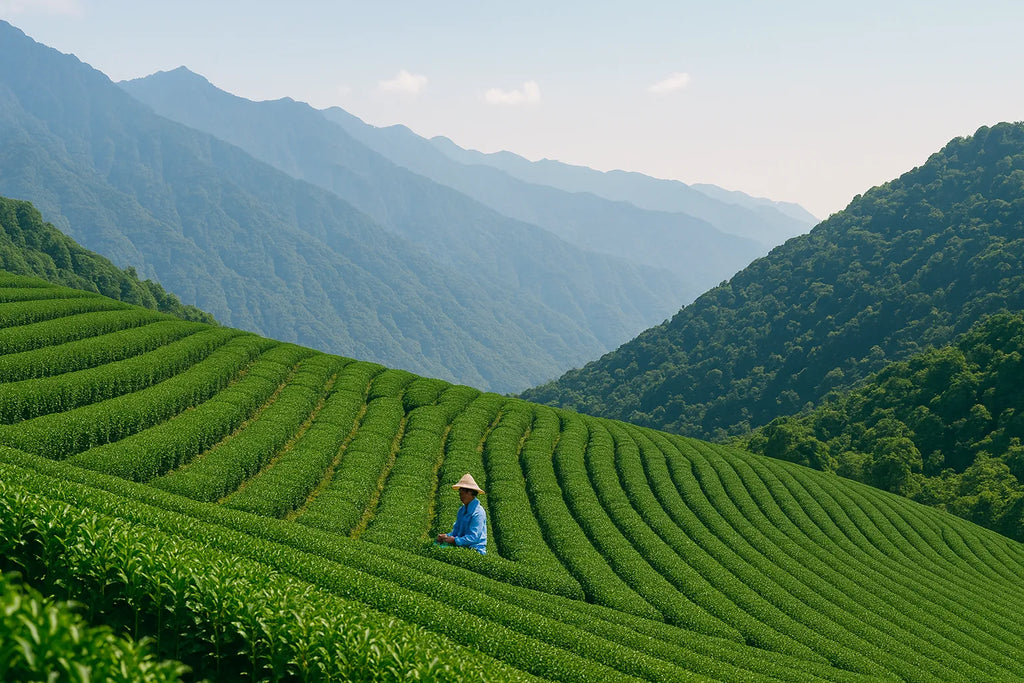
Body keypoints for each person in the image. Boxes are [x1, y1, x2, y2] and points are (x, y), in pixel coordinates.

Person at [436, 473, 487, 555]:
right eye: (460, 494)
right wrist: (445, 536)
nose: (461, 497)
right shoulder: (461, 510)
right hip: (461, 548)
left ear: (470, 493)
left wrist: (454, 540)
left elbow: (474, 538)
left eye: (462, 494)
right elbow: (455, 532)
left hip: (475, 550)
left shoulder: (478, 513)